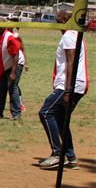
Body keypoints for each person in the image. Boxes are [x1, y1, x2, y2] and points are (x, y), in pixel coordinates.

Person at [37, 10, 89, 170]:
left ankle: (57, 153)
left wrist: (67, 90)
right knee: (60, 119)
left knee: (46, 112)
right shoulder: (74, 35)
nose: (57, 23)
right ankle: (71, 157)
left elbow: (71, 62)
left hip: (69, 85)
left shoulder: (69, 36)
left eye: (59, 20)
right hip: (75, 84)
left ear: (66, 21)